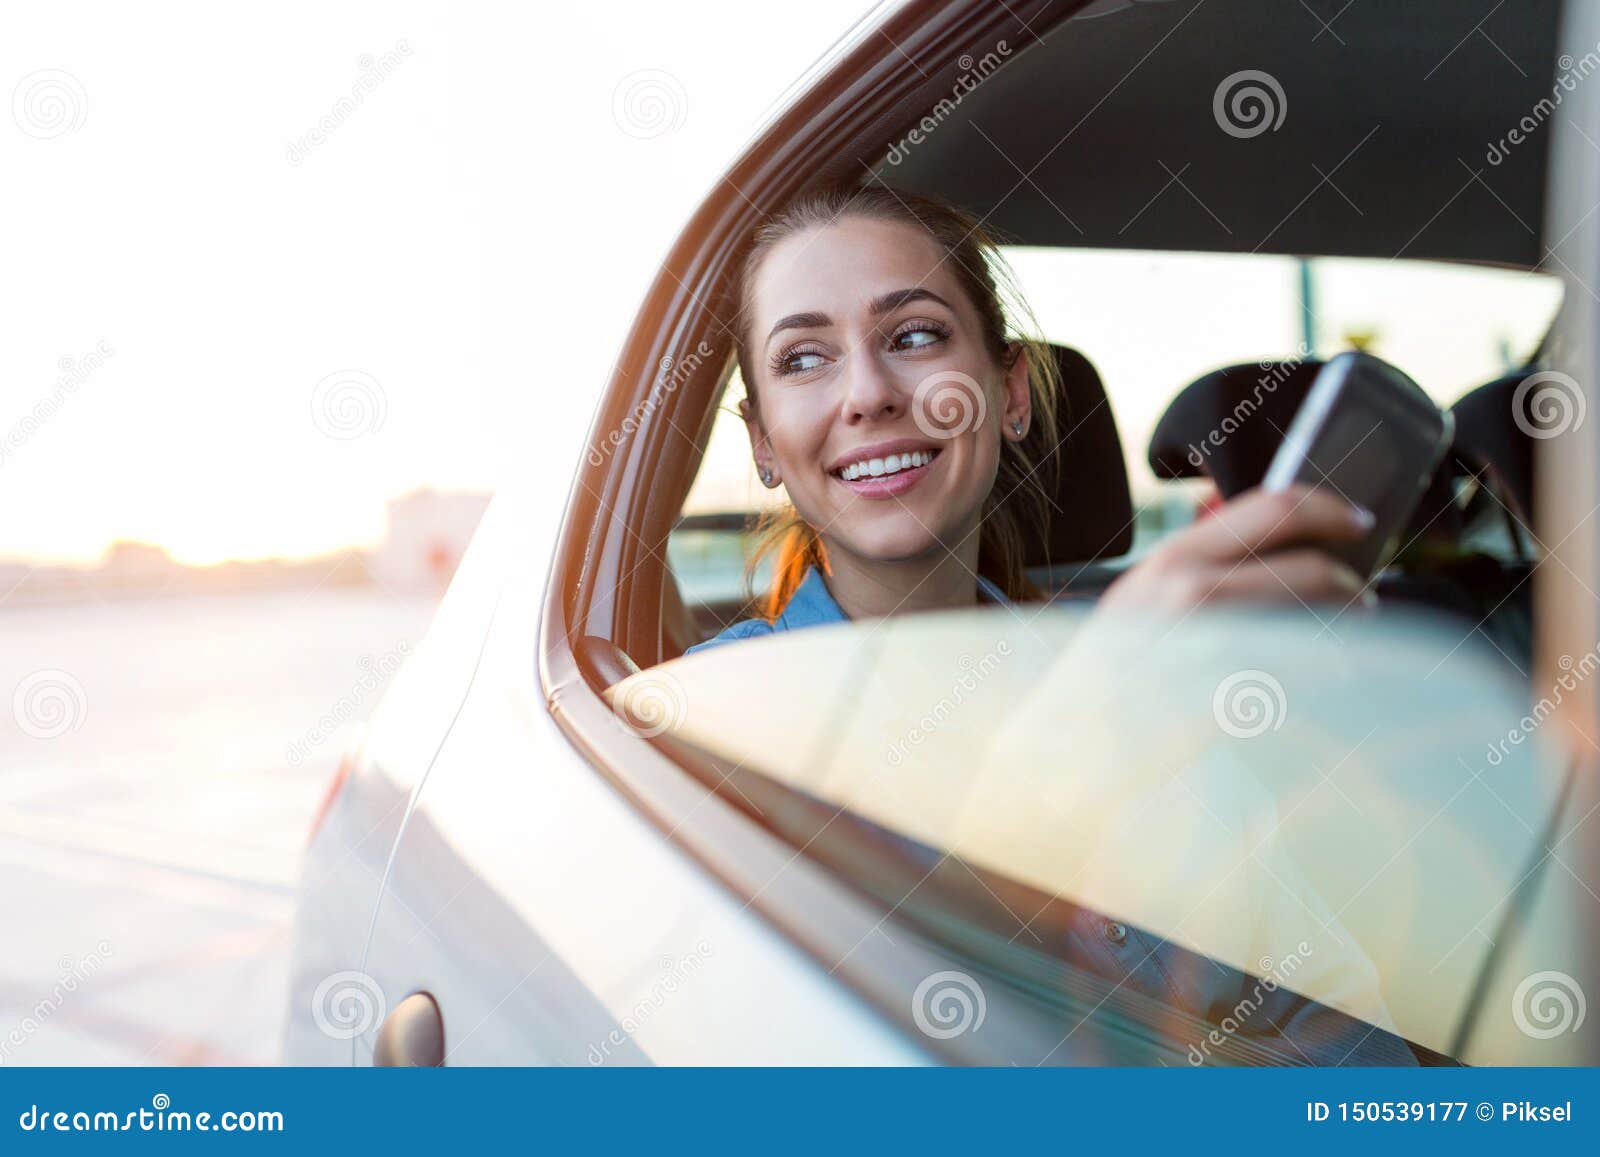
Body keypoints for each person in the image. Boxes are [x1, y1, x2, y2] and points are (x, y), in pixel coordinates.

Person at [688, 185, 1374, 653]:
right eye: (804, 358)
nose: (868, 393)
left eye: (915, 336)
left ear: (1011, 394)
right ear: (762, 441)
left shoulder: (1123, 649)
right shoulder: (715, 705)